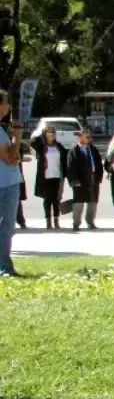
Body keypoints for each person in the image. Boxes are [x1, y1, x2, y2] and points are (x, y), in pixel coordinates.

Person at [0, 91, 23, 276]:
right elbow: (10, 157)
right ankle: (4, 268)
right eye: (6, 103)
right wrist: (17, 133)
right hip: (5, 185)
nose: (9, 107)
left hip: (6, 183)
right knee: (6, 227)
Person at [65, 130, 104, 231]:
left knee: (93, 202)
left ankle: (90, 222)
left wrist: (99, 177)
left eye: (89, 137)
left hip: (93, 178)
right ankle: (76, 223)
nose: (89, 139)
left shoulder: (93, 150)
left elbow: (99, 164)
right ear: (80, 137)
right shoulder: (73, 151)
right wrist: (74, 180)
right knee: (78, 202)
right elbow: (70, 167)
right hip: (80, 180)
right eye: (87, 137)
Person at [31, 125, 67, 229]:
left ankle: (56, 220)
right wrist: (42, 136)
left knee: (56, 199)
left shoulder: (59, 146)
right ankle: (48, 221)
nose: (52, 134)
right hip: (46, 176)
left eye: (53, 132)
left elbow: (65, 159)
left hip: (57, 176)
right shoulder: (41, 147)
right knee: (47, 200)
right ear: (45, 134)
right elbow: (33, 142)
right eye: (49, 132)